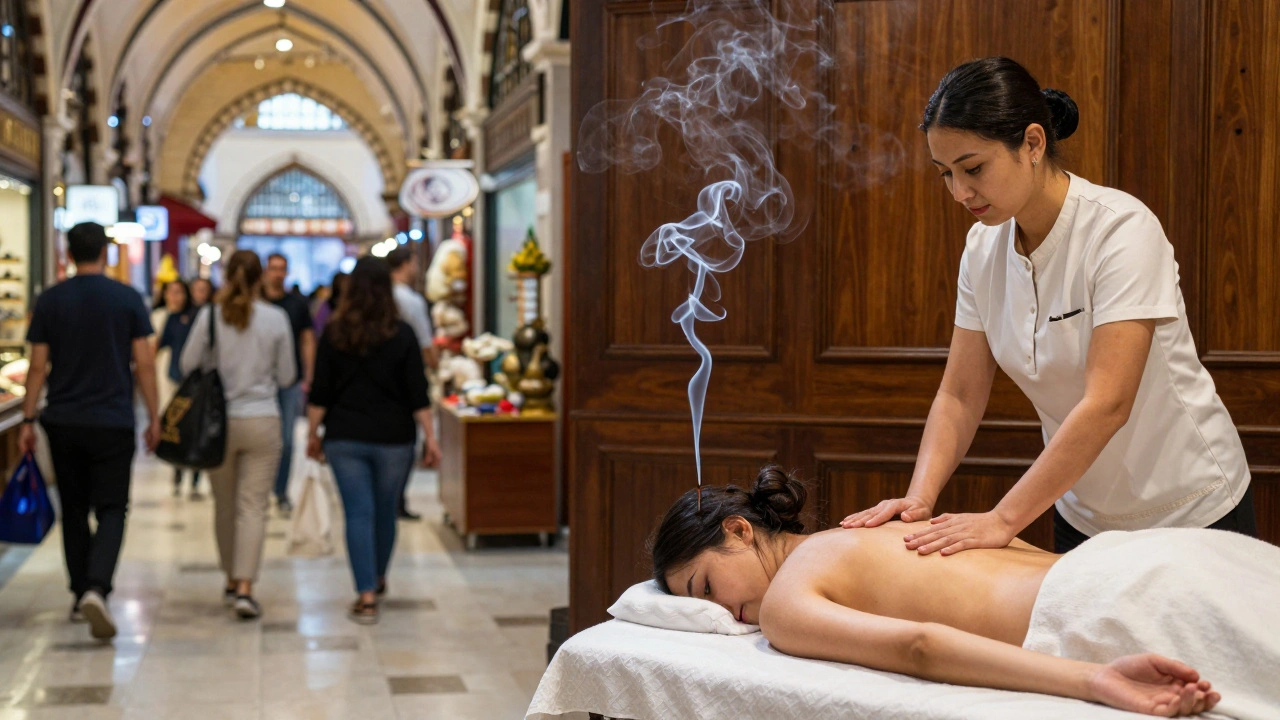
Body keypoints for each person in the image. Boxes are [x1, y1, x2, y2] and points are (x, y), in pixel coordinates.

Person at [841, 57, 1254, 554]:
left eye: (973, 168)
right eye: (945, 174)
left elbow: (1108, 403)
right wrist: (918, 499)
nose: (959, 192)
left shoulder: (1121, 230)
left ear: (1033, 143)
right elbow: (960, 394)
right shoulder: (982, 248)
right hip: (1082, 512)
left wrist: (1002, 520)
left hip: (1189, 509)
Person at [654, 468, 1280, 718]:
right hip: (1156, 556)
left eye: (705, 587)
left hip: (1113, 603)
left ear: (739, 531)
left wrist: (1095, 679)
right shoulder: (872, 526)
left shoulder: (786, 604)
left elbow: (920, 647)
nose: (720, 613)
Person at [18, 222, 160, 641]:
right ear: (105, 252)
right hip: (113, 419)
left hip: (63, 419)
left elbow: (37, 366)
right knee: (113, 507)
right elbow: (144, 363)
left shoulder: (50, 300)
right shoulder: (127, 298)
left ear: (68, 252)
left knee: (74, 508)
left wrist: (27, 419)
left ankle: (80, 592)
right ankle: (98, 586)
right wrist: (155, 416)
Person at [306, 257, 442, 624]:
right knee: (385, 511)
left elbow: (320, 391)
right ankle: (378, 576)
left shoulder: (335, 333)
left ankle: (366, 595)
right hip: (395, 438)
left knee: (357, 513)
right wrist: (430, 437)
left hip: (345, 436)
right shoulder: (402, 334)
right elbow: (417, 392)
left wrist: (313, 433)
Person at [182, 251, 296, 620]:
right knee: (253, 507)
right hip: (262, 419)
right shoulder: (276, 318)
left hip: (218, 424)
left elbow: (187, 364)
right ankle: (246, 587)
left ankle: (231, 578)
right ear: (261, 278)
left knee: (225, 505)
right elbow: (287, 375)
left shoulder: (210, 316)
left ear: (227, 277)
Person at [261, 253, 315, 517]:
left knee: (287, 440)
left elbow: (307, 339)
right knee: (261, 439)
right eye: (273, 268)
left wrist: (309, 374)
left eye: (282, 269)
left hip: (289, 380)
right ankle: (261, 489)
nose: (278, 274)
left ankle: (280, 490)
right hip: (259, 380)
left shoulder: (296, 305)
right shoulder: (256, 303)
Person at [386, 247, 434, 521]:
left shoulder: (381, 298)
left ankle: (391, 498)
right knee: (404, 440)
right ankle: (396, 497)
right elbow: (425, 343)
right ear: (405, 264)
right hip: (406, 377)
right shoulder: (411, 301)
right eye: (415, 262)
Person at [154, 280, 203, 499]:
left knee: (196, 428)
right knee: (177, 427)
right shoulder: (169, 318)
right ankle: (178, 470)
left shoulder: (197, 316)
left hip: (194, 380)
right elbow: (160, 345)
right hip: (173, 378)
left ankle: (195, 476)